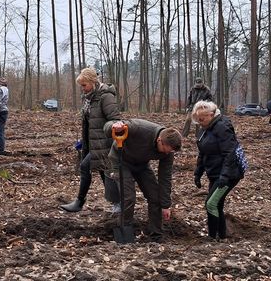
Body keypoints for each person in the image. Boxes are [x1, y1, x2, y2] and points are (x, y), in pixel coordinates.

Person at [104, 119, 182, 242]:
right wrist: (113, 126)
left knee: (155, 197)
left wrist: (166, 205)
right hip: (121, 161)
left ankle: (156, 234)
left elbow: (165, 178)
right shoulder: (139, 128)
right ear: (159, 140)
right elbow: (107, 127)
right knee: (128, 197)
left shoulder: (169, 152)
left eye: (170, 151)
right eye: (166, 149)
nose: (168, 153)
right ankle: (125, 229)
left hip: (141, 164)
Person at [60, 68, 121, 213]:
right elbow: (91, 121)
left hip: (104, 143)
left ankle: (80, 202)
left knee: (86, 167)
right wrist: (84, 139)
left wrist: (107, 134)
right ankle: (118, 203)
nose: (82, 89)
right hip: (93, 142)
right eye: (81, 86)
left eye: (84, 85)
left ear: (93, 82)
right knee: (102, 172)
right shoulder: (90, 98)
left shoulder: (106, 97)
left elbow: (115, 120)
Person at [191, 100, 243, 241]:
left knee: (211, 203)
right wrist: (198, 172)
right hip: (214, 173)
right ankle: (222, 236)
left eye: (202, 119)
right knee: (217, 204)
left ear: (211, 114)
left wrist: (225, 176)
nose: (200, 122)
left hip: (229, 174)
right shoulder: (205, 129)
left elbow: (230, 153)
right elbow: (203, 152)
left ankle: (212, 237)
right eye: (198, 119)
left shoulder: (222, 128)